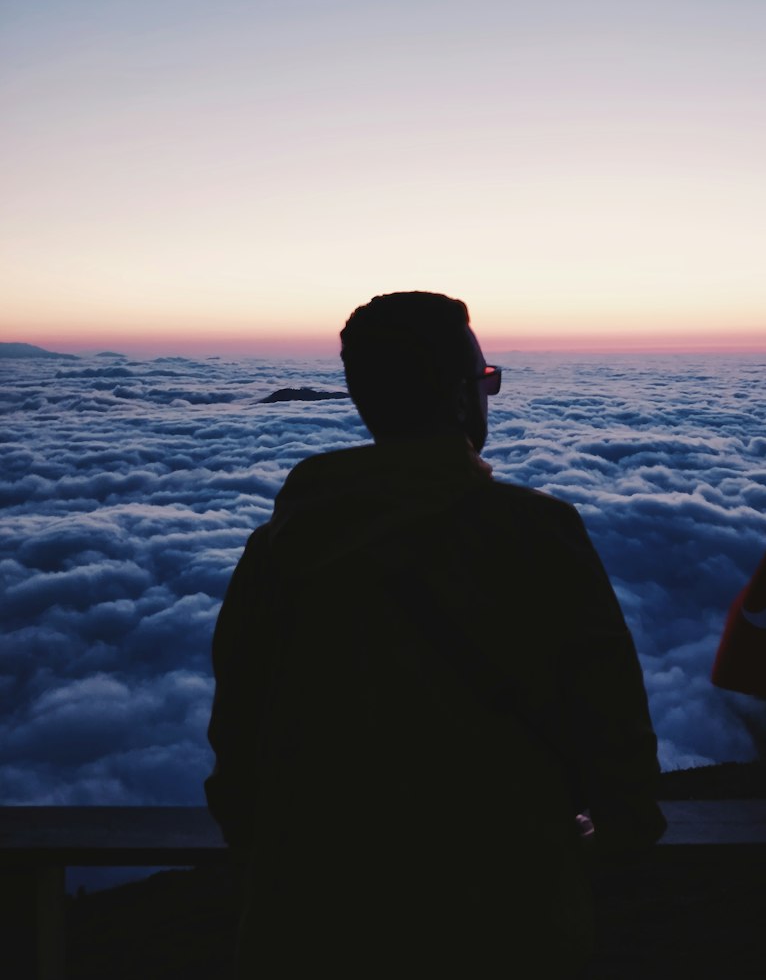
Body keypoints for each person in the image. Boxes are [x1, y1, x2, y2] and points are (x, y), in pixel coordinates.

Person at [206, 292, 664, 978]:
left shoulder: (279, 550)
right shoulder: (536, 538)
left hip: (306, 927)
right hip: (506, 927)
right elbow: (615, 738)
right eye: (488, 382)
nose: (490, 397)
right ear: (459, 398)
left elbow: (236, 749)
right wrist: (603, 846)